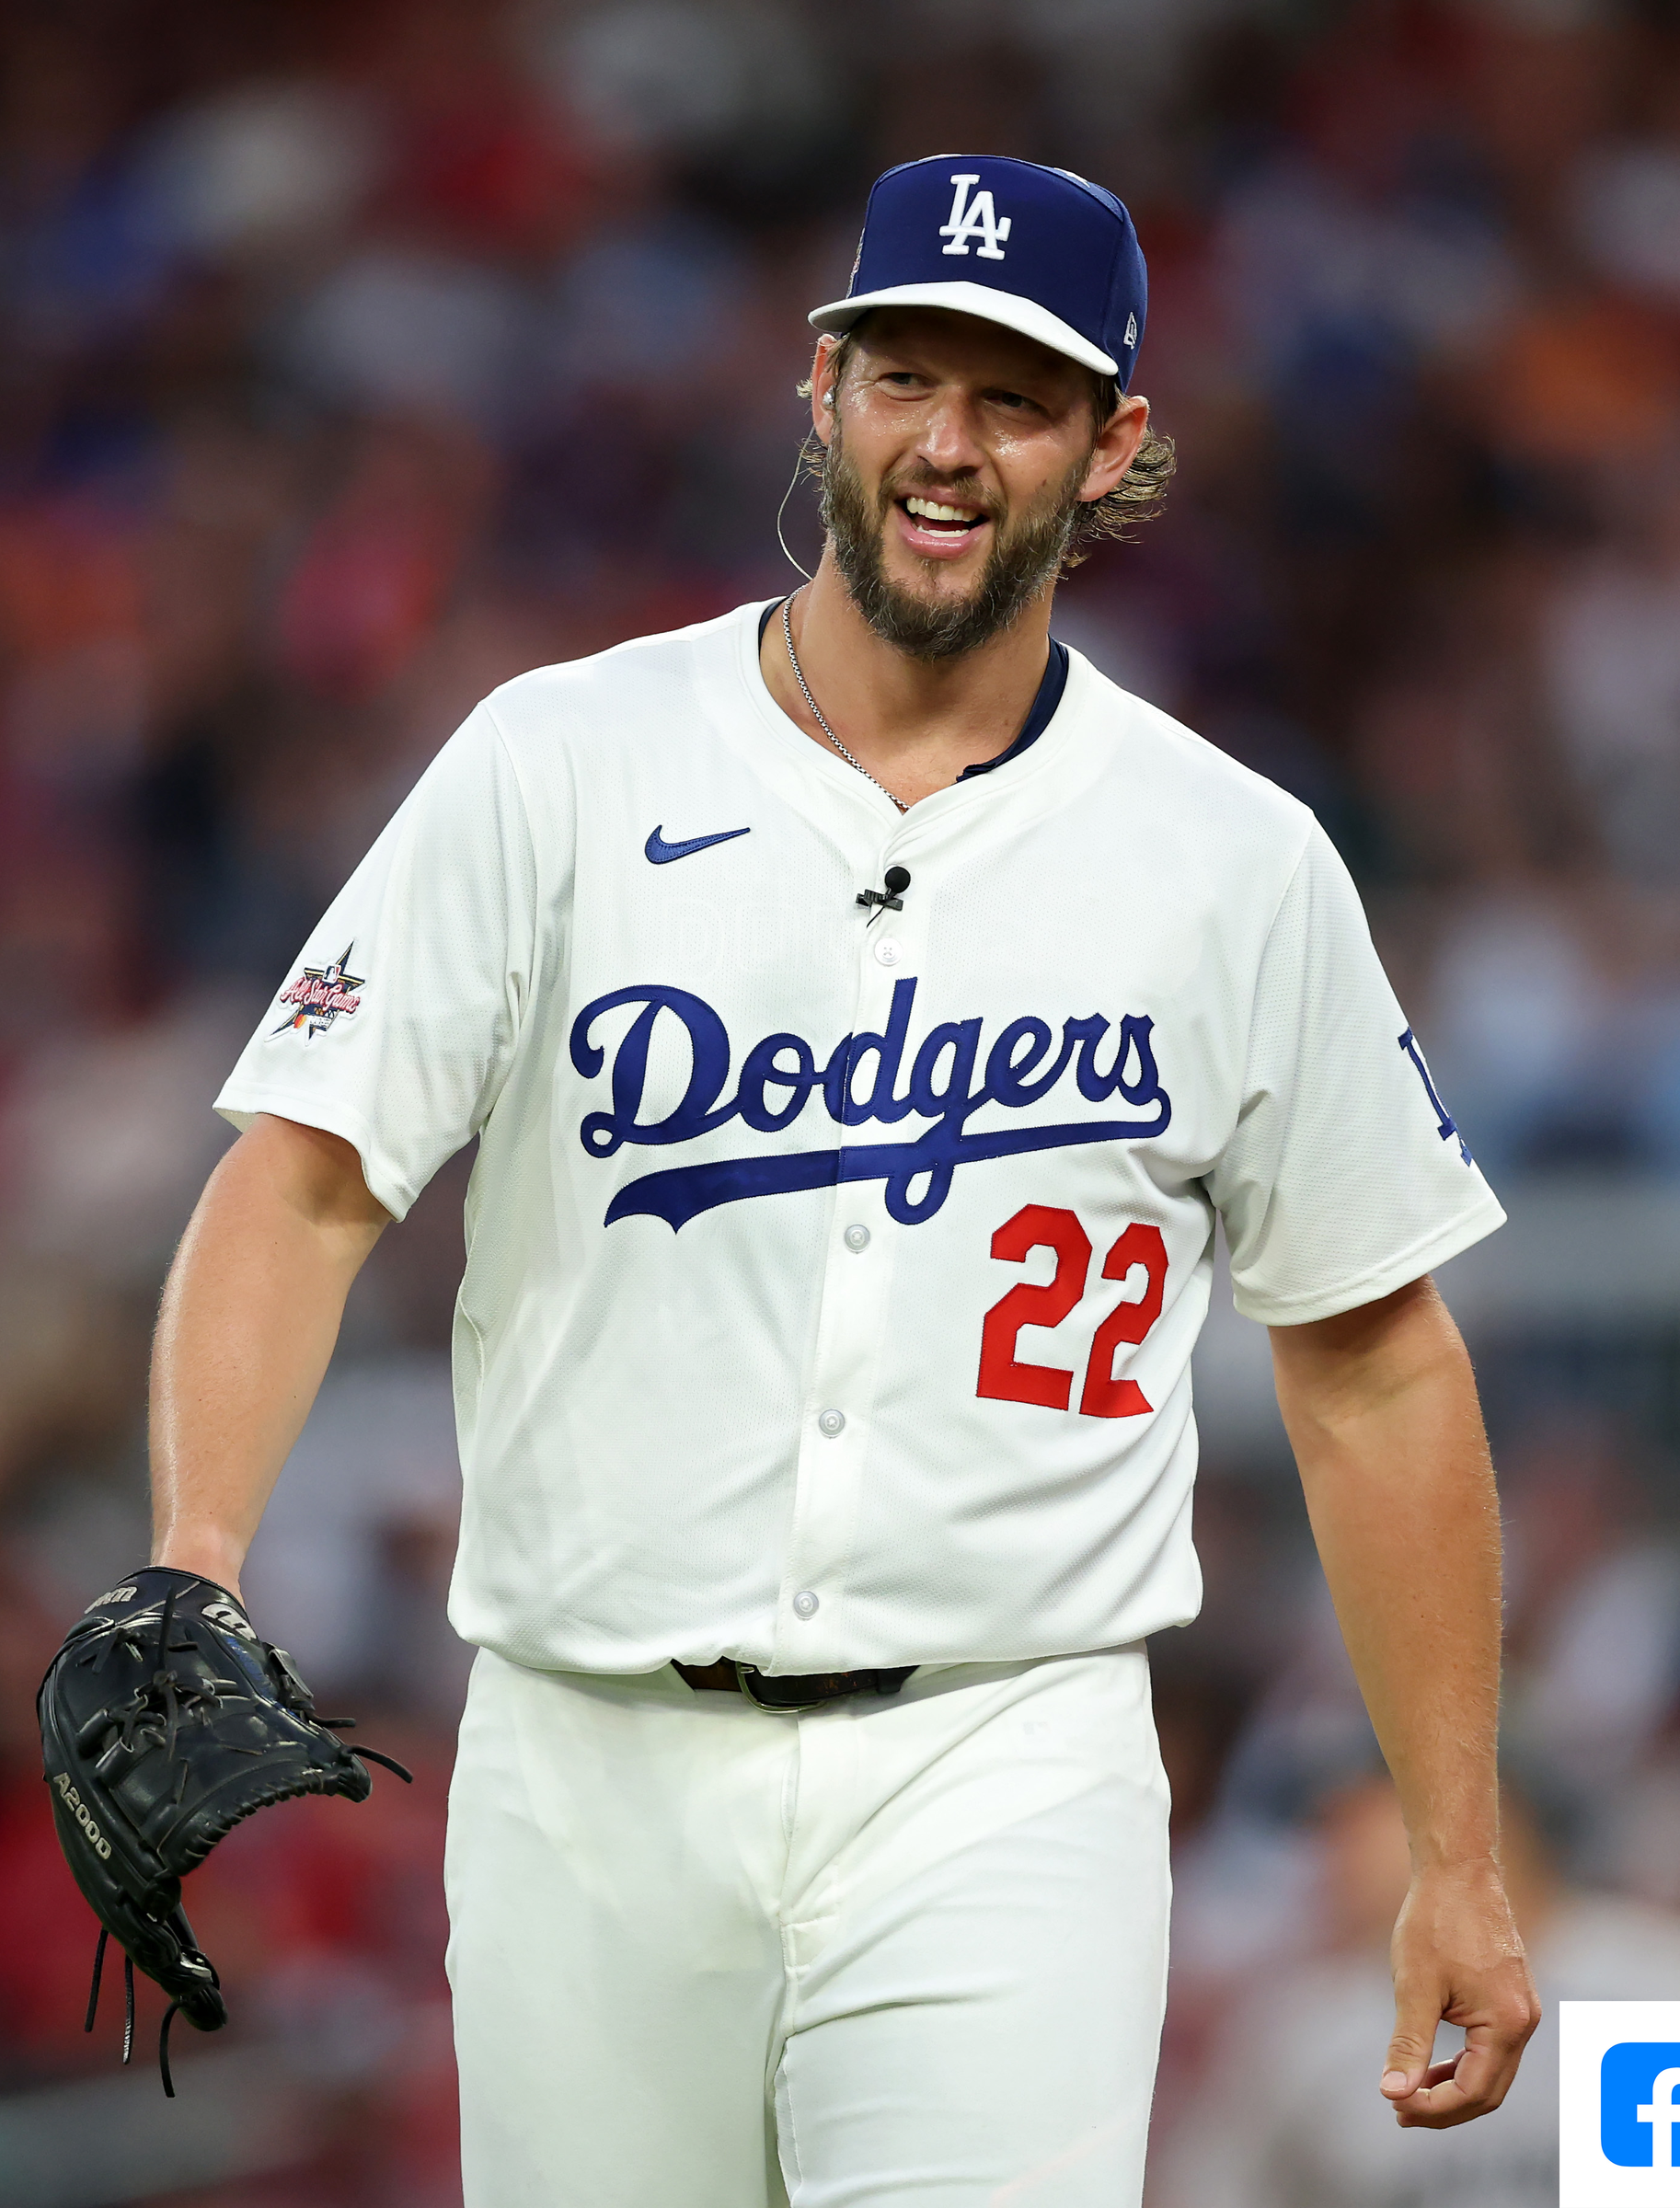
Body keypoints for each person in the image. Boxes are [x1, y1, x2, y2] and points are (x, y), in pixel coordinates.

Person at [140, 156, 1536, 2205]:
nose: (948, 445)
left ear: (1115, 441)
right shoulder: (565, 760)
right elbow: (307, 1178)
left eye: (1017, 396)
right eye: (906, 378)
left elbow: (1379, 1366)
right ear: (823, 390)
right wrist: (193, 1553)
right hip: (584, 1755)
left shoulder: (1232, 858)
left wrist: (1460, 1858)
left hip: (1008, 1757)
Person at [1152, 1769, 1680, 2208]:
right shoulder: (1304, 2026)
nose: (1328, 1857)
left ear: (1486, 1807)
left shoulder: (1668, 1987)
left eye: (1357, 1820)